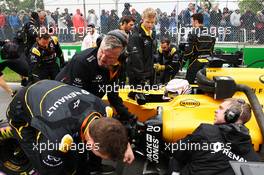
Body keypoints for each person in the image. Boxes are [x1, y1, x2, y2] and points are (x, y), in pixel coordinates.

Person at [6, 79, 134, 175]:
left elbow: (115, 129)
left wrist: (125, 147)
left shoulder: (102, 108)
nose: (101, 158)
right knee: (44, 164)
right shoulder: (56, 138)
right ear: (90, 144)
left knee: (79, 157)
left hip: (50, 90)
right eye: (101, 155)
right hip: (21, 110)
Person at [56, 29, 134, 121]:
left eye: (110, 57)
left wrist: (129, 117)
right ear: (99, 44)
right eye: (101, 51)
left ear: (120, 57)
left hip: (88, 100)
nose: (103, 58)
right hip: (64, 102)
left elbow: (113, 95)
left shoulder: (118, 65)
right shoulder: (81, 62)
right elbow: (78, 100)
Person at [169, 98, 260, 175]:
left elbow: (177, 150)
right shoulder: (254, 160)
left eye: (221, 108)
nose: (216, 111)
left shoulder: (206, 131)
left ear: (231, 116)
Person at [127, 8, 157, 86]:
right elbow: (136, 57)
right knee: (137, 97)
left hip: (149, 72)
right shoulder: (135, 34)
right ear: (142, 19)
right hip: (138, 75)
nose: (150, 25)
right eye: (147, 22)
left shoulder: (152, 32)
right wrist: (142, 76)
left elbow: (153, 52)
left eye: (152, 22)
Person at [182, 13, 215, 84]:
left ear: (196, 21)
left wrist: (183, 62)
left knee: (189, 84)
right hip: (208, 62)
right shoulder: (210, 33)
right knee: (205, 84)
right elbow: (212, 50)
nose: (191, 23)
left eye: (192, 21)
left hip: (195, 62)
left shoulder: (193, 33)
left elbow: (189, 51)